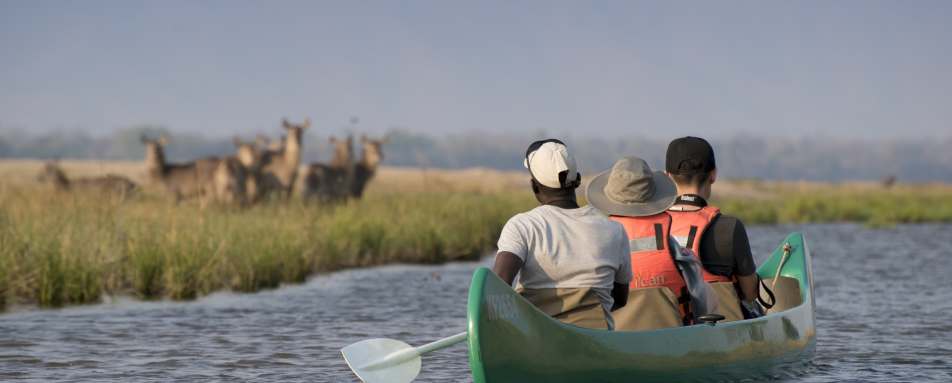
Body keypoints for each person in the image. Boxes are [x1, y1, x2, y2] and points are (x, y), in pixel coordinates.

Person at [492, 139, 632, 330]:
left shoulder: (522, 226)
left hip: (535, 339)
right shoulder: (614, 230)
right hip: (595, 340)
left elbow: (496, 288)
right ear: (579, 180)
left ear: (534, 187)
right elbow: (620, 299)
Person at [587, 156, 717, 330]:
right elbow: (705, 305)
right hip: (674, 339)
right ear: (652, 197)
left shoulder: (597, 246)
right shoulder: (676, 251)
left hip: (615, 341)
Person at [665, 136, 764, 320]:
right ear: (713, 175)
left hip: (668, 327)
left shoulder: (653, 227)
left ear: (668, 177)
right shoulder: (730, 227)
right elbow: (750, 294)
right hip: (722, 332)